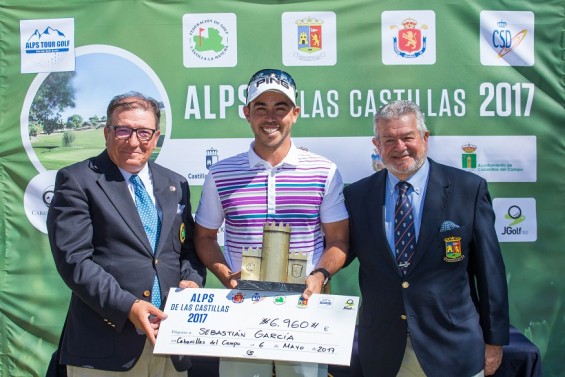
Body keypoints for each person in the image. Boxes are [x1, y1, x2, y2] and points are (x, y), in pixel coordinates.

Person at [194, 68, 349, 377]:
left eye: (281, 108)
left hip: (304, 311)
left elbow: (339, 241)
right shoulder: (221, 174)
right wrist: (226, 275)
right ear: (247, 113)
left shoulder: (324, 171)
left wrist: (319, 276)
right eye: (261, 108)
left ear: (295, 113)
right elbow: (205, 238)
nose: (271, 117)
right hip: (241, 311)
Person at [343, 100, 509, 377]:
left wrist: (494, 341)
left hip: (454, 349)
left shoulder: (468, 189)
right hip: (384, 352)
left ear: (425, 137)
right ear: (377, 144)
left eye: (408, 137)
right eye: (389, 140)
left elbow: (490, 272)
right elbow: (338, 251)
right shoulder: (357, 196)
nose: (399, 147)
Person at [47, 92, 206, 376]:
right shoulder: (77, 180)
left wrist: (192, 282)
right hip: (106, 348)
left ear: (156, 137)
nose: (133, 141)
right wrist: (129, 307)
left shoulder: (176, 183)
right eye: (123, 130)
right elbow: (74, 262)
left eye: (143, 132)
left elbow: (188, 250)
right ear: (107, 132)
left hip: (170, 343)